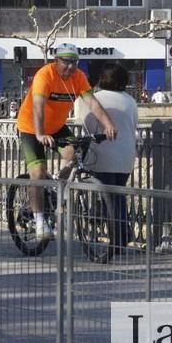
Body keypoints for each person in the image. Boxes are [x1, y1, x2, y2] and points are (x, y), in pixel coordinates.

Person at [16, 43, 117, 240]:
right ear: (56, 61)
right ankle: (39, 222)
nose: (71, 67)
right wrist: (39, 134)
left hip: (56, 127)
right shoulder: (45, 75)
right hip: (31, 127)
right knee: (36, 172)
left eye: (74, 62)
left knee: (72, 153)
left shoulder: (78, 77)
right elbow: (37, 107)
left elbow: (92, 103)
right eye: (66, 62)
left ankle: (57, 190)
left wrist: (108, 124)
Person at [83, 62, 138, 249]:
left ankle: (115, 236)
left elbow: (88, 125)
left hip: (102, 155)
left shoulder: (95, 99)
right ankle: (122, 235)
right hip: (126, 155)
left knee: (106, 197)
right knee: (118, 195)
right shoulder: (130, 101)